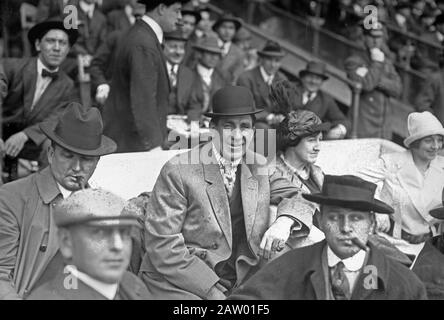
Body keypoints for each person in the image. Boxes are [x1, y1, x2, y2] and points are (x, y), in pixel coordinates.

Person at [139, 86, 315, 300]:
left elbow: (301, 197)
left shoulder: (258, 165)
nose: (237, 136)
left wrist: (284, 222)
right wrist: (212, 293)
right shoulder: (178, 169)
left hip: (238, 280)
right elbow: (163, 245)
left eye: (245, 127)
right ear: (213, 129)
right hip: (180, 280)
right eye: (229, 127)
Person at [228, 175, 428, 300]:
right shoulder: (290, 267)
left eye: (357, 218)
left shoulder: (404, 285)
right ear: (321, 220)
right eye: (334, 217)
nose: (346, 228)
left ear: (372, 224)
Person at [0, 103, 117, 299]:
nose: (77, 167)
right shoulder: (12, 197)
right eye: (68, 156)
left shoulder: (101, 210)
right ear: (51, 154)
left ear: (97, 162)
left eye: (86, 159)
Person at [358, 111, 444, 298]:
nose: (436, 147)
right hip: (389, 243)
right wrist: (376, 205)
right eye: (429, 140)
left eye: (439, 140)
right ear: (415, 142)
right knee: (370, 287)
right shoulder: (391, 163)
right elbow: (357, 183)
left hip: (427, 248)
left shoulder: (442, 166)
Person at [27, 189, 150, 300]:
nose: (118, 245)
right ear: (67, 242)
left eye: (124, 233)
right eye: (101, 233)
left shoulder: (133, 284)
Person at [103, 0, 187, 153]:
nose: (180, 17)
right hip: (131, 144)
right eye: (177, 10)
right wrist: (154, 147)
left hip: (132, 141)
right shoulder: (143, 43)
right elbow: (143, 100)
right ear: (161, 8)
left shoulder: (142, 35)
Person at [0, 20, 78, 176]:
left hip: (31, 140)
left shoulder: (67, 84)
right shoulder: (10, 67)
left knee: (53, 144)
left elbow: (55, 119)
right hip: (2, 132)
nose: (56, 48)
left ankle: (41, 195)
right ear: (37, 45)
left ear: (68, 49)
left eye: (62, 43)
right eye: (50, 41)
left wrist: (25, 135)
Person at [344, 23, 402, 139]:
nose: (376, 41)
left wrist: (376, 79)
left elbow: (398, 89)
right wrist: (376, 63)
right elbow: (367, 85)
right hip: (363, 126)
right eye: (372, 37)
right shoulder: (354, 61)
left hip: (383, 128)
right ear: (364, 38)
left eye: (379, 37)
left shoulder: (387, 62)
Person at [236, 40, 287, 127]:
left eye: (277, 61)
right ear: (261, 59)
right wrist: (269, 117)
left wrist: (281, 117)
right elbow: (246, 109)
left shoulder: (282, 79)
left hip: (276, 123)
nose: (273, 65)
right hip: (252, 122)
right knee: (264, 131)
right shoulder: (246, 78)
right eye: (269, 60)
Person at [294, 61, 350, 139]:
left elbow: (343, 121)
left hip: (307, 145)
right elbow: (272, 110)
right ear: (303, 77)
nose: (313, 81)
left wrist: (339, 130)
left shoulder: (326, 99)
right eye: (310, 76)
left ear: (321, 82)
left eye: (317, 78)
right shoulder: (289, 91)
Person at [187, 35, 229, 122]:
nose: (213, 58)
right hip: (190, 121)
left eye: (217, 54)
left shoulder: (222, 77)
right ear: (200, 54)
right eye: (209, 53)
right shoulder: (188, 74)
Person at [163, 30, 195, 116]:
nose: (178, 52)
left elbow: (194, 104)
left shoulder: (188, 73)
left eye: (181, 48)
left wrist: (193, 124)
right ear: (163, 48)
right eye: (173, 47)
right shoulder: (154, 69)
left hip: (180, 123)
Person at [213, 14, 245, 84]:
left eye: (231, 28)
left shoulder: (239, 53)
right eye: (223, 27)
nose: (227, 31)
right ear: (217, 28)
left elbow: (235, 78)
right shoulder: (207, 44)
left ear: (235, 31)